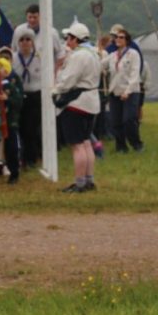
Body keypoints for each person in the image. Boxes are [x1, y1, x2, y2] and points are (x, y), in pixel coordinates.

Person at [54, 23, 100, 193]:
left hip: (77, 103)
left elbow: (68, 79)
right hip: (91, 102)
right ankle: (89, 180)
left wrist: (55, 90)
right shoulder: (93, 53)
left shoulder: (79, 56)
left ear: (76, 39)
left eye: (69, 38)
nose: (67, 41)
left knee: (77, 145)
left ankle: (80, 183)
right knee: (86, 143)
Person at [103, 27, 144, 153]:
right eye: (116, 37)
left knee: (129, 119)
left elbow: (134, 74)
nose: (118, 39)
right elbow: (100, 65)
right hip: (115, 91)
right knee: (116, 121)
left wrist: (128, 91)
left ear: (127, 40)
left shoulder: (133, 54)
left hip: (130, 92)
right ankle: (121, 146)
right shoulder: (112, 56)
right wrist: (98, 54)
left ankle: (136, 144)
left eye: (121, 37)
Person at [12, 27, 43, 168]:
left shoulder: (39, 58)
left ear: (32, 42)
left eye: (28, 39)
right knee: (21, 128)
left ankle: (31, 158)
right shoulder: (13, 58)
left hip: (34, 96)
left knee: (32, 128)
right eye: (22, 40)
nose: (25, 42)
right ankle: (23, 156)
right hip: (19, 96)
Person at [13, 3, 66, 69]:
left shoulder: (51, 33)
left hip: (44, 71)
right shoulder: (18, 31)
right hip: (22, 70)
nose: (32, 20)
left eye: (35, 17)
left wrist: (54, 71)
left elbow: (60, 55)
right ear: (26, 17)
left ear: (41, 17)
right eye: (30, 17)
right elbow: (14, 50)